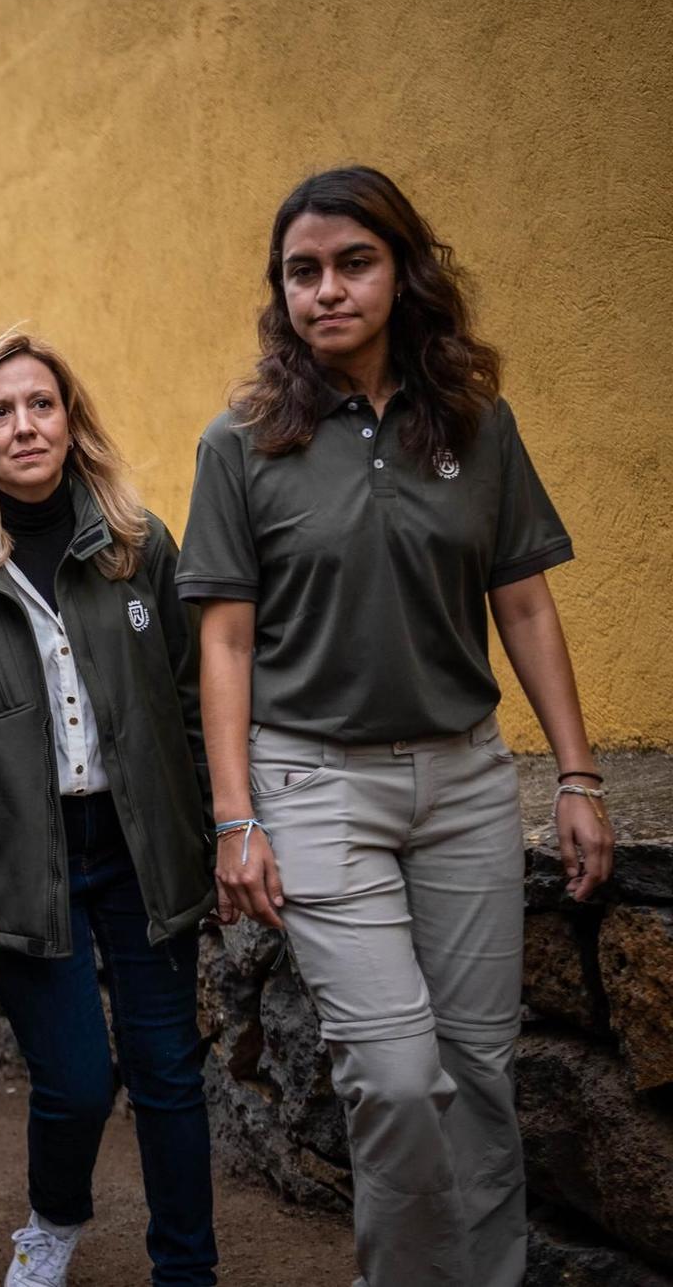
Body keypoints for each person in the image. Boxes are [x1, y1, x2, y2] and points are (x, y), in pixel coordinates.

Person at [182, 166, 615, 1287]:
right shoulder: (240, 444)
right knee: (390, 1074)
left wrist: (576, 777)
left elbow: (520, 600)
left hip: (465, 779)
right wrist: (235, 817)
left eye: (351, 262)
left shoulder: (476, 423)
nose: (325, 289)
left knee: (475, 1069)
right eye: (300, 272)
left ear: (402, 269)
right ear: (279, 293)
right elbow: (222, 642)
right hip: (313, 783)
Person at [0, 331, 219, 1286]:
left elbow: (194, 697)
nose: (24, 425)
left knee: (168, 1071)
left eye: (41, 403)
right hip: (20, 864)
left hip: (141, 846)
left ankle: (187, 1269)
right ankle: (54, 1216)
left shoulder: (137, 544)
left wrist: (209, 826)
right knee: (77, 1083)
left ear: (71, 419)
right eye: (0, 411)